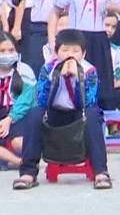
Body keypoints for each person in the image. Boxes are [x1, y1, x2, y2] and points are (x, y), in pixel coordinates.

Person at [12, 29, 111, 190]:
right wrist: (55, 78)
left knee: (93, 115)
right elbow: (42, 100)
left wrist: (79, 79)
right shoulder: (47, 69)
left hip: (79, 114)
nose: (69, 55)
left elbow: (88, 102)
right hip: (54, 113)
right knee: (34, 114)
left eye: (75, 51)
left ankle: (101, 172)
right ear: (57, 52)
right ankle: (28, 172)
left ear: (83, 53)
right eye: (65, 50)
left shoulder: (90, 71)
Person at [0, 31, 36, 168]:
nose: (7, 54)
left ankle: (34, 154)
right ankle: (19, 162)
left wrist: (9, 119)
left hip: (18, 114)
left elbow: (26, 100)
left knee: (18, 142)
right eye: (2, 51)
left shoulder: (24, 70)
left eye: (11, 50)